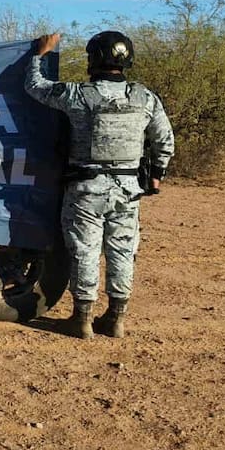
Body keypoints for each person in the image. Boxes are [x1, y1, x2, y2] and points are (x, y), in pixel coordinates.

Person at [26, 31, 175, 339]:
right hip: (128, 190)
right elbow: (164, 140)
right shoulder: (145, 97)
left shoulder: (77, 95)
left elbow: (34, 86)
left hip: (85, 189)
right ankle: (116, 318)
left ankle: (82, 319)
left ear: (93, 59)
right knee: (122, 251)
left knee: (85, 251)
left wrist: (39, 54)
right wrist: (157, 174)